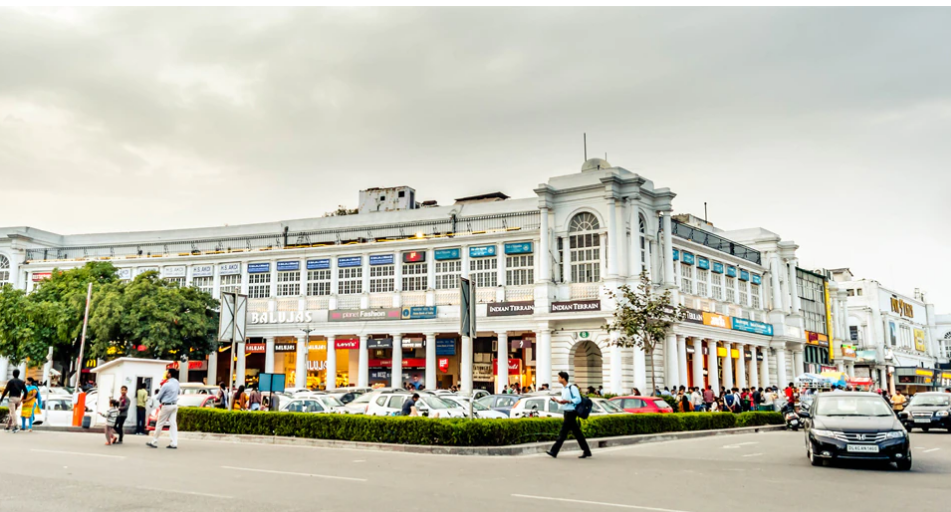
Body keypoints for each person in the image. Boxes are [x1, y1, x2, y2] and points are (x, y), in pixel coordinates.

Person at [546, 371, 592, 459]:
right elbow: (564, 401)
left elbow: (578, 399)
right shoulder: (563, 389)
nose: (558, 379)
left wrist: (568, 401)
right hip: (566, 411)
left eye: (559, 377)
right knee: (577, 433)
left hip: (571, 412)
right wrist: (558, 401)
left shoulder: (572, 388)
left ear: (563, 378)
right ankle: (587, 451)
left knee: (563, 433)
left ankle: (554, 451)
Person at [147, 368, 180, 450]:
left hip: (166, 406)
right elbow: (178, 392)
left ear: (169, 374)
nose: (166, 374)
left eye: (167, 373)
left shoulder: (166, 385)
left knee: (159, 423)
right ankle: (174, 443)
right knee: (173, 424)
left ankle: (154, 442)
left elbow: (158, 396)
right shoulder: (177, 383)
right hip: (174, 405)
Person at [1, 368, 26, 432]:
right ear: (19, 374)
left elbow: (6, 390)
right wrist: (23, 399)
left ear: (12, 374)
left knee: (12, 413)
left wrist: (1, 398)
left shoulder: (11, 381)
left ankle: (16, 426)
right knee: (12, 413)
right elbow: (26, 391)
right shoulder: (22, 382)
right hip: (18, 399)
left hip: (12, 398)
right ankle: (8, 426)